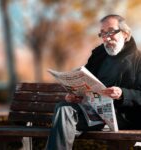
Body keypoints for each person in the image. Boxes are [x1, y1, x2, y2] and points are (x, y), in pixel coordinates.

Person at [45, 14, 141, 150]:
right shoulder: (98, 56)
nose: (106, 38)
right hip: (94, 113)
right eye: (102, 34)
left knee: (64, 118)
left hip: (122, 118)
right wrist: (75, 95)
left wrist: (122, 94)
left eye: (111, 32)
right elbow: (85, 80)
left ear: (125, 34)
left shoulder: (138, 60)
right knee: (64, 108)